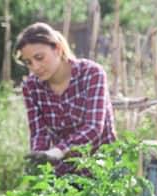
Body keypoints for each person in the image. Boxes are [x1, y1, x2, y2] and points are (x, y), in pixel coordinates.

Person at [15, 22, 116, 176]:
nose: (35, 67)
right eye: (28, 62)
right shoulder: (31, 87)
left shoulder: (91, 74)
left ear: (57, 48)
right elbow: (39, 134)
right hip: (64, 172)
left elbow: (94, 127)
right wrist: (39, 161)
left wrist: (58, 151)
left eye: (39, 58)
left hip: (102, 169)